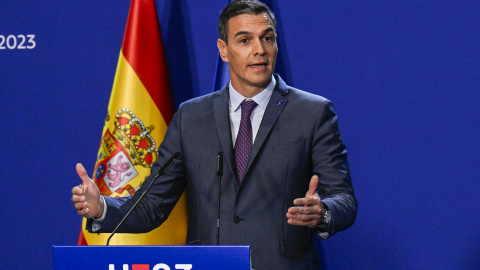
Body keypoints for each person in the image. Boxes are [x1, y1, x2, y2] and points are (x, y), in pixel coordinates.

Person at [71, 1, 357, 269]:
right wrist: (102, 208)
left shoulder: (312, 112)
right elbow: (152, 204)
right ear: (223, 49)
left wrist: (323, 212)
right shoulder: (191, 117)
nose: (259, 49)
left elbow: (344, 199)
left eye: (267, 38)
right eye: (245, 40)